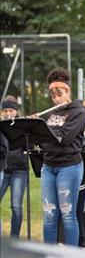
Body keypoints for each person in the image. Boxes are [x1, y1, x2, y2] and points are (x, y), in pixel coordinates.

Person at [40, 68, 85, 246]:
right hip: (48, 166)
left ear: (68, 92)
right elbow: (44, 141)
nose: (56, 98)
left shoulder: (78, 111)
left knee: (68, 214)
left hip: (69, 166)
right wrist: (37, 128)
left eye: (59, 94)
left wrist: (44, 130)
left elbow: (65, 138)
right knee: (49, 214)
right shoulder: (53, 113)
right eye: (52, 95)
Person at [0, 97, 27, 238]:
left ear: (16, 112)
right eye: (5, 110)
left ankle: (14, 238)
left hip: (20, 170)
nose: (8, 113)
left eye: (11, 110)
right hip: (3, 170)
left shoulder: (22, 126)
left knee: (16, 206)